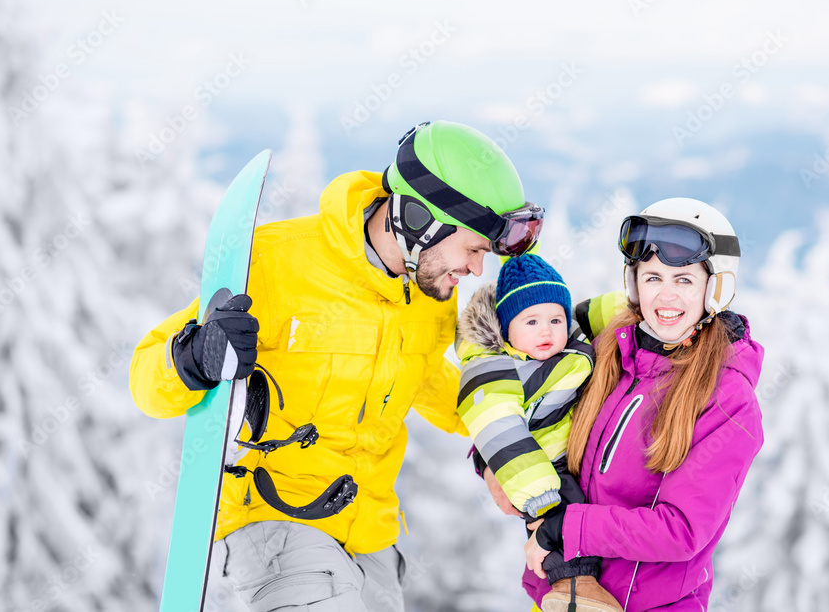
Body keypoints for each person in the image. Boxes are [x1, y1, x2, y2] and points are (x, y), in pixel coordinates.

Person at [129, 120, 544, 611]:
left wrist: (507, 438)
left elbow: (432, 383)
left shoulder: (429, 296)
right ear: (419, 220)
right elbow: (143, 378)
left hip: (373, 542)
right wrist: (194, 357)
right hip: (278, 527)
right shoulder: (277, 262)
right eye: (473, 249)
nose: (477, 269)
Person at [522, 197, 764, 611]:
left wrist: (569, 527)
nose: (665, 296)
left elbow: (681, 530)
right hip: (564, 597)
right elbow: (535, 400)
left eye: (684, 280)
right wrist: (491, 460)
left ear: (716, 288)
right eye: (652, 277)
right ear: (633, 284)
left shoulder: (727, 398)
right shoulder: (611, 350)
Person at [456, 252, 623, 612]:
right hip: (536, 470)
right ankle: (574, 591)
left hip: (568, 457)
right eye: (530, 321)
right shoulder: (495, 368)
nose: (546, 330)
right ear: (505, 329)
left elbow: (599, 312)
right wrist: (540, 496)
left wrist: (643, 300)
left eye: (554, 319)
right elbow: (498, 427)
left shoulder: (568, 342)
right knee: (564, 517)